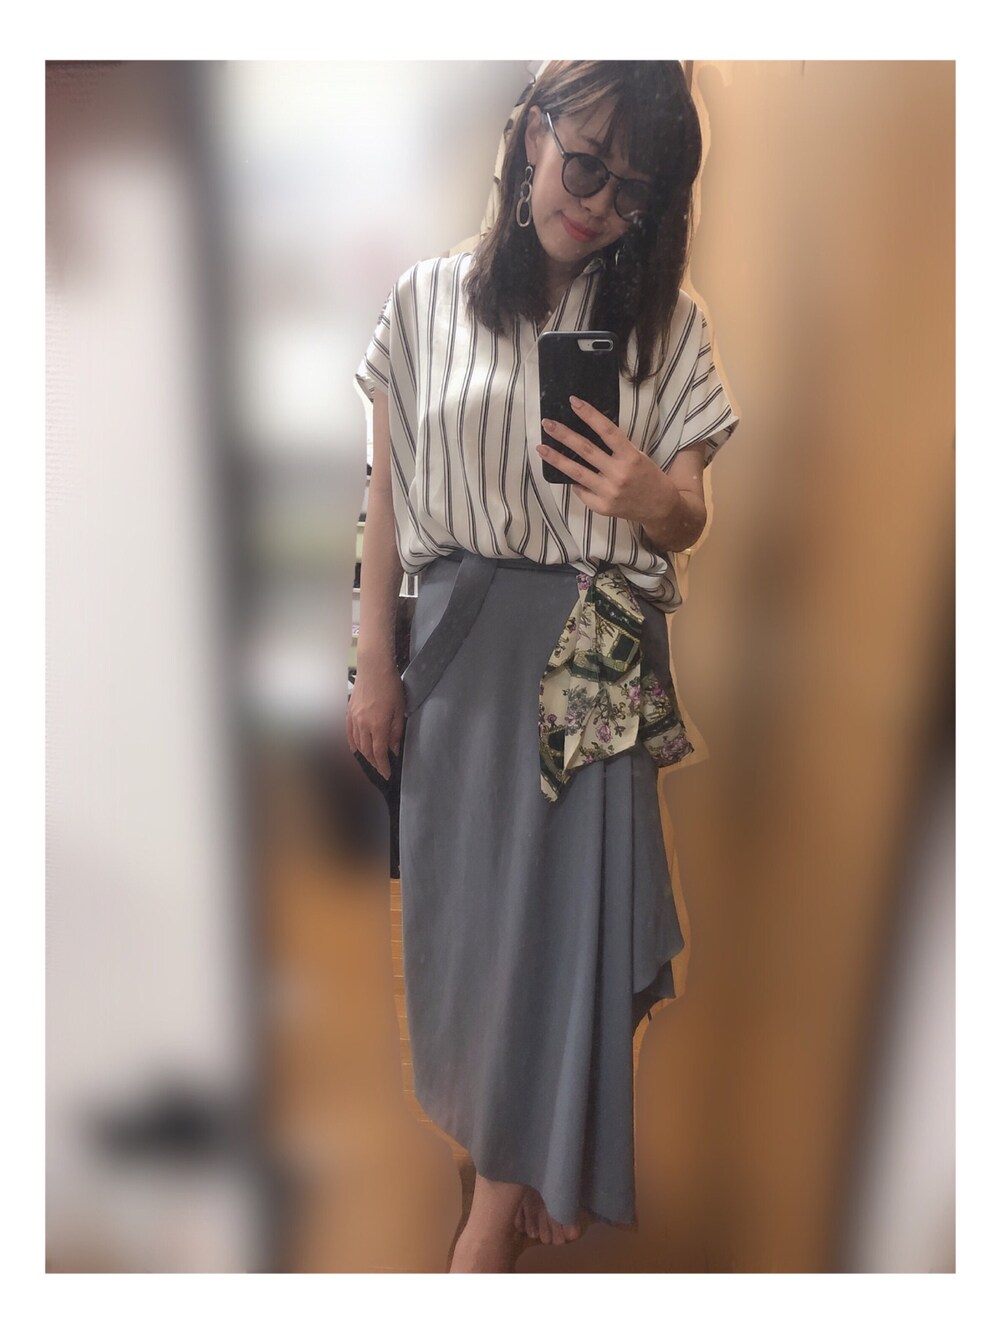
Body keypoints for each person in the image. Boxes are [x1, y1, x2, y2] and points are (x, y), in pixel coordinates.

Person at [348, 60, 739, 1273]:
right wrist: (373, 663)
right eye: (585, 164)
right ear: (530, 136)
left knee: (557, 926)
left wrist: (650, 496)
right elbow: (386, 498)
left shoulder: (668, 327)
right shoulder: (424, 301)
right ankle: (523, 1147)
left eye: (634, 190)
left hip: (594, 645)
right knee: (469, 932)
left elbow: (688, 515)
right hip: (459, 650)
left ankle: (489, 1222)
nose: (599, 203)